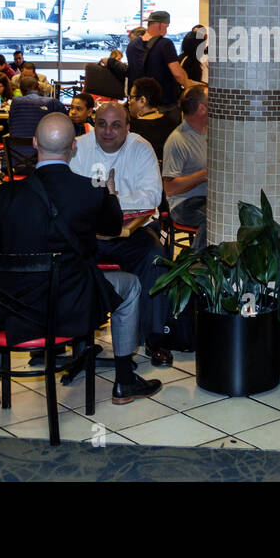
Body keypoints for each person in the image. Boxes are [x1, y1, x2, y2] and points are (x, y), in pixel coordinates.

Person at [0, 113, 161, 404]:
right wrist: (110, 194)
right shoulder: (91, 191)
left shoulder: (1, 195)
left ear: (35, 143)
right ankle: (124, 381)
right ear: (73, 148)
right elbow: (115, 229)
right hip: (72, 304)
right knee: (130, 286)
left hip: (15, 307)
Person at [68, 101, 170, 366]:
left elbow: (151, 196)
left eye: (116, 125)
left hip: (134, 233)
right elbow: (69, 195)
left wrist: (110, 201)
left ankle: (155, 337)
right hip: (89, 235)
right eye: (102, 124)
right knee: (65, 255)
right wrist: (107, 202)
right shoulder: (79, 147)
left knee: (155, 258)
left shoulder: (140, 148)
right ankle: (76, 335)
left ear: (127, 127)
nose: (108, 131)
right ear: (94, 123)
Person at [163, 84, 208, 252]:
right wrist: (203, 175)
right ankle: (196, 267)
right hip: (183, 204)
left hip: (207, 200)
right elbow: (170, 188)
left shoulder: (211, 131)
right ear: (202, 108)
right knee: (213, 219)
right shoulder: (177, 140)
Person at [126, 11, 191, 115]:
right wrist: (191, 88)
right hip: (161, 105)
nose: (166, 31)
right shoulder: (165, 44)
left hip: (138, 104)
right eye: (167, 27)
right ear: (161, 25)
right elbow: (178, 75)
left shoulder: (132, 45)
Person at [127, 77, 178, 161]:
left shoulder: (132, 128)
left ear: (142, 100)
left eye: (131, 97)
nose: (129, 102)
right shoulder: (172, 123)